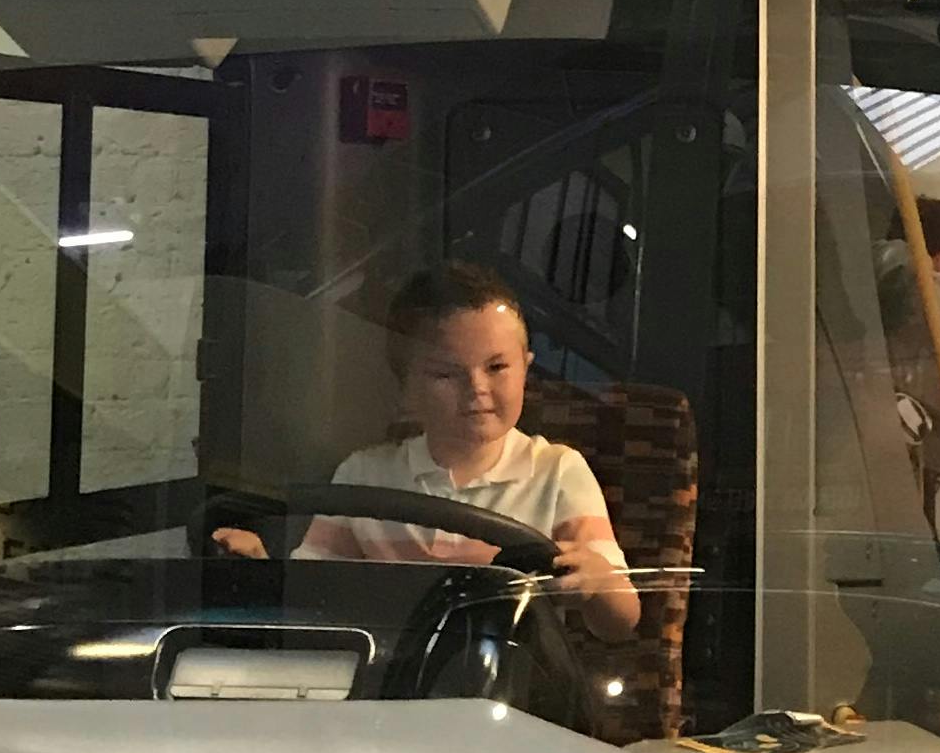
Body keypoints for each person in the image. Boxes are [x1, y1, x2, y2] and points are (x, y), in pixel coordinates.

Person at [231, 263, 637, 635]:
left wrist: (598, 583)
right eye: (446, 374)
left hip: (508, 677)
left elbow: (621, 621)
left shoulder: (557, 472)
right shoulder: (364, 476)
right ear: (406, 388)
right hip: (388, 677)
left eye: (496, 367)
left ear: (526, 368)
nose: (477, 388)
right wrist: (262, 569)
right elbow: (313, 597)